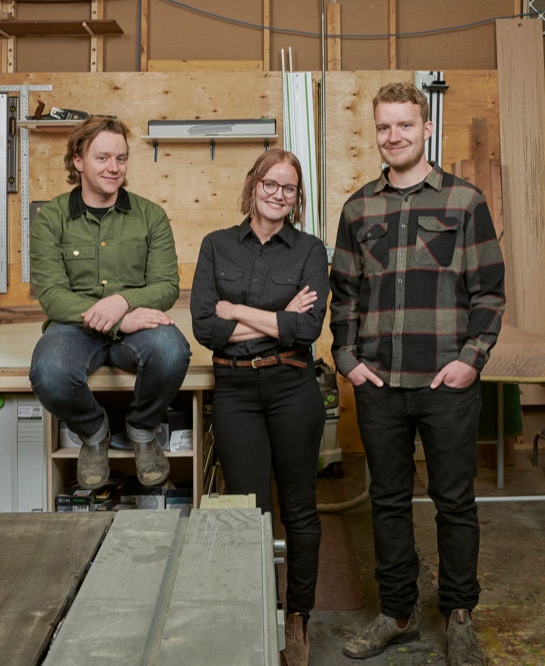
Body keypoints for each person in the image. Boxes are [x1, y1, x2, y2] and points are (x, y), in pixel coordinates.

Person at [330, 82, 505, 665]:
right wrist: (348, 359)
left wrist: (470, 359)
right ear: (375, 131)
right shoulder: (358, 208)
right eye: (384, 127)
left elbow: (489, 292)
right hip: (379, 383)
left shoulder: (464, 202)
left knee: (455, 501)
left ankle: (459, 616)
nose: (394, 136)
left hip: (444, 382)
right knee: (386, 501)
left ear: (426, 129)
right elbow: (345, 295)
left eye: (404, 125)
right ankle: (397, 613)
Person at [190, 149, 328, 666]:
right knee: (249, 513)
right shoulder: (217, 246)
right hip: (236, 391)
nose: (277, 194)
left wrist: (240, 312)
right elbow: (207, 329)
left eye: (288, 188)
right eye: (269, 184)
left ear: (297, 198)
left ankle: (298, 619)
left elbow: (307, 329)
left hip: (293, 386)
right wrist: (276, 315)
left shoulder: (310, 250)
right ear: (252, 186)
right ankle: (257, 609)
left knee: (299, 508)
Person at [29, 116, 191, 491]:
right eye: (102, 158)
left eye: (121, 158)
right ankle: (94, 432)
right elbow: (52, 296)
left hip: (135, 323)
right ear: (77, 161)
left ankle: (141, 429)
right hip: (75, 328)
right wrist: (118, 321)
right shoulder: (51, 219)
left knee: (171, 352)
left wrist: (123, 303)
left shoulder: (150, 216)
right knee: (49, 371)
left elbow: (167, 285)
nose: (113, 168)